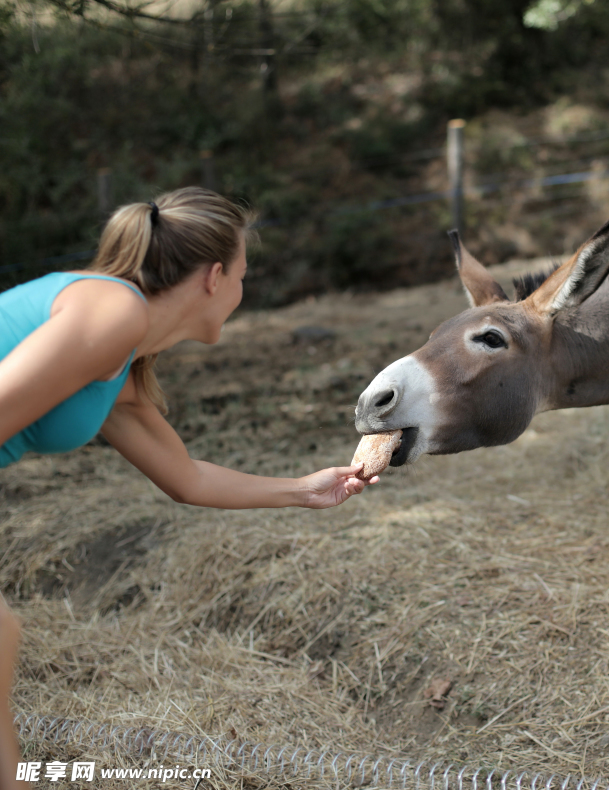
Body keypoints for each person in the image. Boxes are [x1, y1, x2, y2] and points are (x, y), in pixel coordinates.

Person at [0, 187, 378, 789]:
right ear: (215, 277)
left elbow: (186, 476)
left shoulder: (116, 360)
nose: (243, 292)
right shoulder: (111, 312)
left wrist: (304, 489)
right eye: (244, 275)